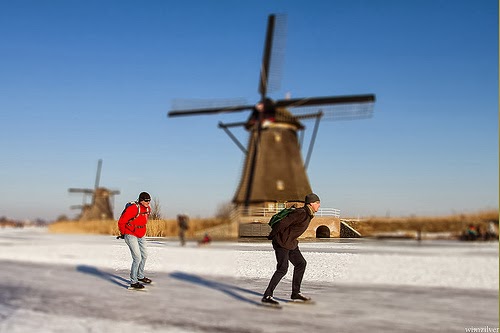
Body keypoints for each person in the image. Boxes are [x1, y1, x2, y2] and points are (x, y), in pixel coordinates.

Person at [261, 193, 321, 306]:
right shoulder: (301, 213)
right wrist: (272, 234)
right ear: (311, 203)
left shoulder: (308, 214)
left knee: (301, 263)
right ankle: (267, 295)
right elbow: (282, 223)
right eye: (318, 203)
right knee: (282, 269)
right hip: (281, 242)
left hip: (291, 243)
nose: (319, 205)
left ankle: (295, 293)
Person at [118, 192, 152, 290]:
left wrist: (142, 231)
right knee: (137, 258)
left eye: (149, 200)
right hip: (130, 234)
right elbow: (121, 221)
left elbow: (144, 221)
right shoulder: (133, 208)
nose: (148, 202)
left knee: (144, 255)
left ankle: (140, 276)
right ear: (141, 200)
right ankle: (133, 282)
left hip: (141, 234)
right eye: (146, 201)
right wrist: (124, 233)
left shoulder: (148, 209)